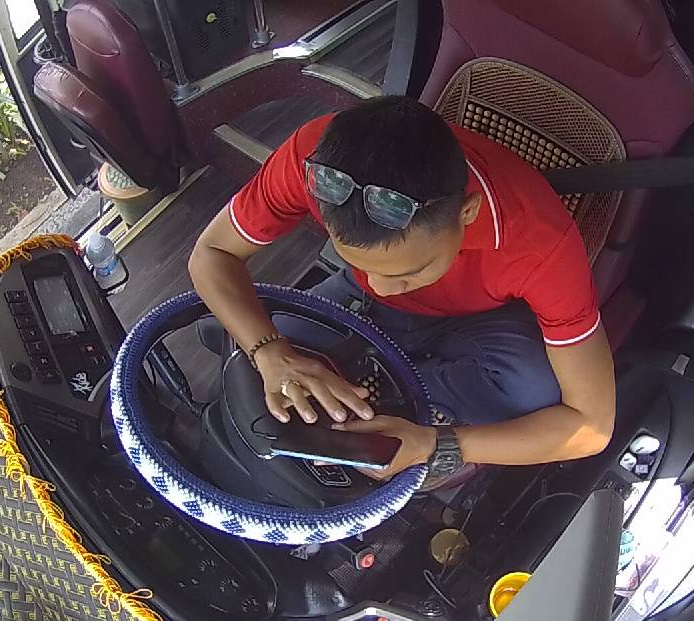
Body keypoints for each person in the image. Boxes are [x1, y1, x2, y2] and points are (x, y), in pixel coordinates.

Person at [188, 96, 614, 486]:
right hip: (357, 302)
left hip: (485, 319)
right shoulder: (314, 159)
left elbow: (592, 426)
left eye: (410, 271)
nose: (383, 287)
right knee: (262, 366)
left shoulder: (540, 242)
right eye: (360, 261)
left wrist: (438, 444)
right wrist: (268, 349)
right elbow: (212, 252)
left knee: (533, 392)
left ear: (468, 212)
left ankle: (405, 406)